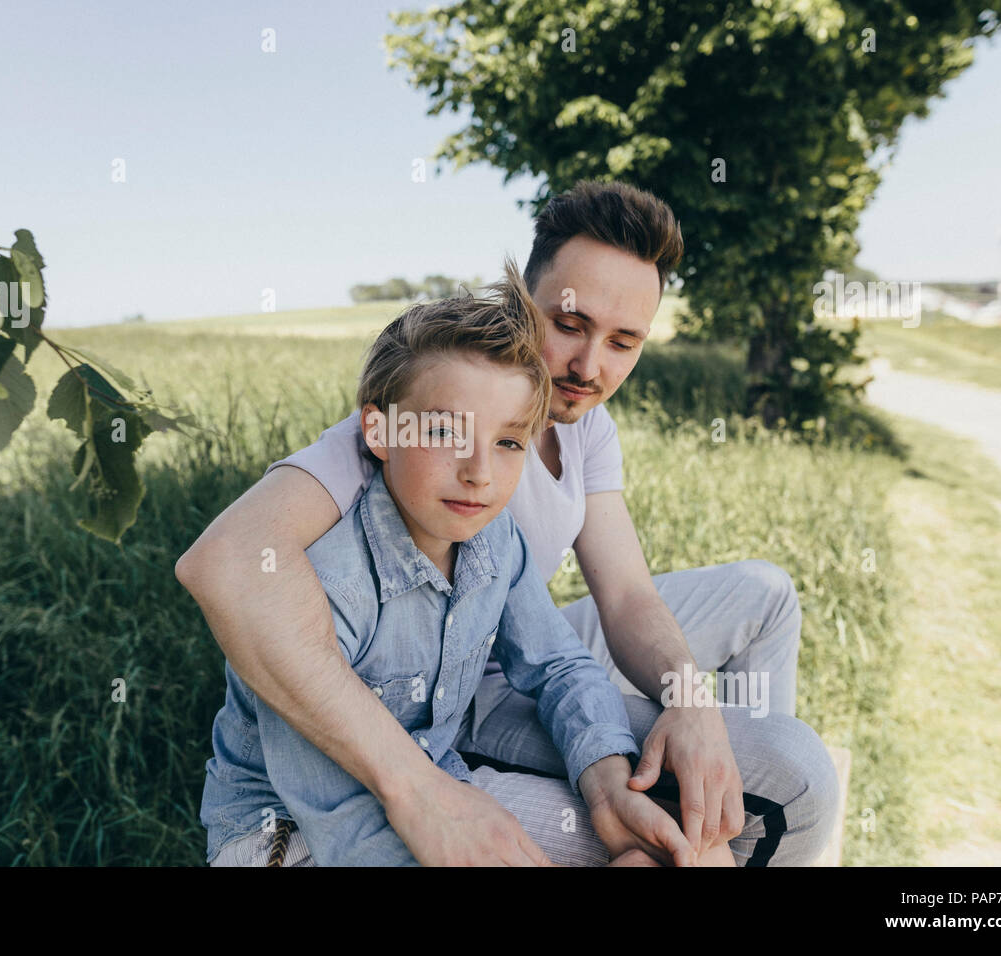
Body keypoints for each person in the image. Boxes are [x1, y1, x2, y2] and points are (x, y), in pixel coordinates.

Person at [178, 180, 840, 866]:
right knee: (720, 832)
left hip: (483, 658)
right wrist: (425, 795)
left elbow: (614, 608)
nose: (590, 366)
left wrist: (681, 708)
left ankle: (721, 785)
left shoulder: (532, 492)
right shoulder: (393, 442)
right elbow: (229, 565)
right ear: (524, 303)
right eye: (571, 325)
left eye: (623, 341)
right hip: (416, 741)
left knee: (765, 609)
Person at [201, 265, 723, 866]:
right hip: (291, 836)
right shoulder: (326, 580)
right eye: (447, 431)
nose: (479, 472)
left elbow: (557, 665)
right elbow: (340, 822)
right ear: (379, 430)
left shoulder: (495, 538)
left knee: (685, 851)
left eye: (507, 443)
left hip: (437, 782)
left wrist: (605, 782)